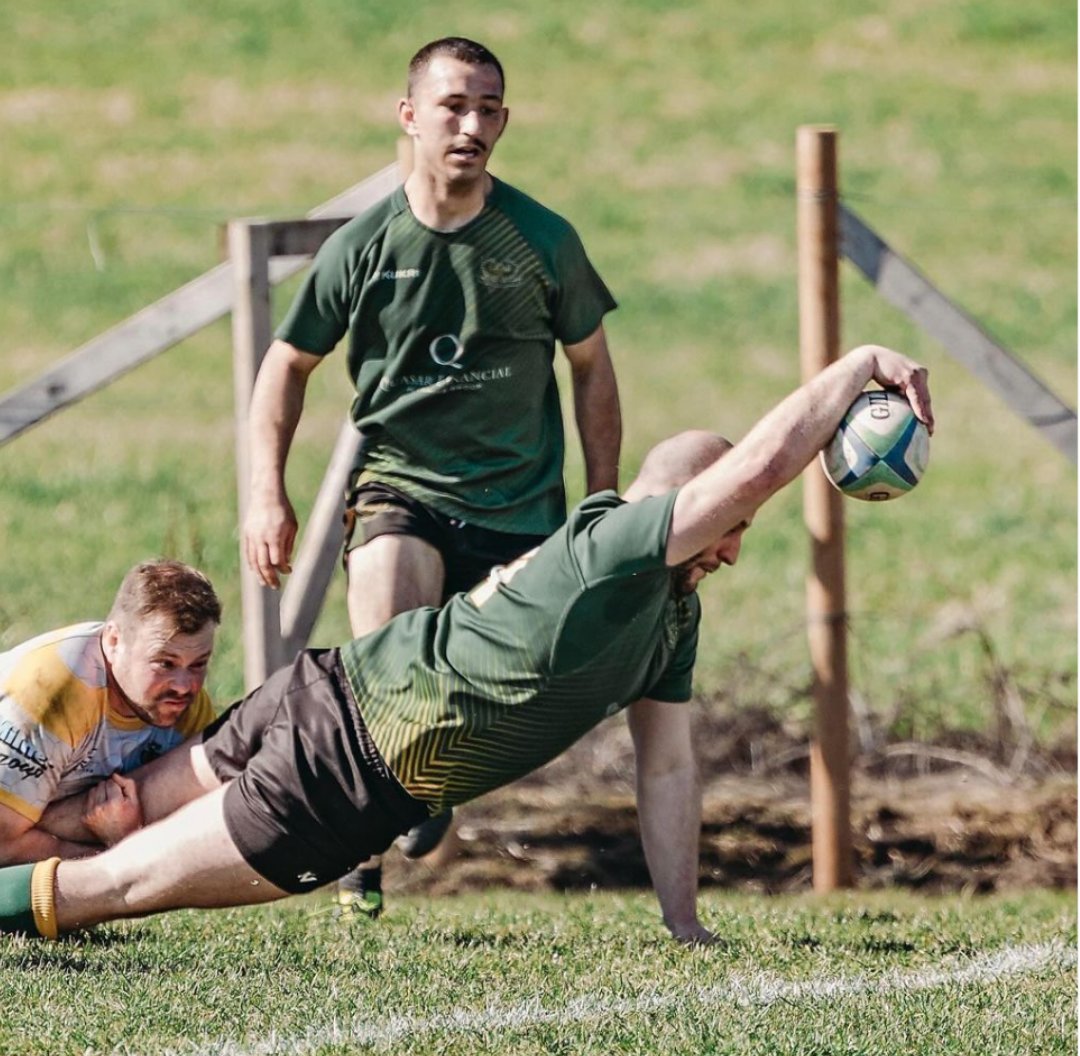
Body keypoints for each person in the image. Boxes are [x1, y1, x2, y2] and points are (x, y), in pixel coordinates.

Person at [0, 345, 933, 944]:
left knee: (101, 819)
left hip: (330, 691)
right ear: (677, 509)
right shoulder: (616, 545)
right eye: (727, 524)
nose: (733, 546)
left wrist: (683, 922)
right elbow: (762, 468)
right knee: (114, 885)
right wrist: (853, 370)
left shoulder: (670, 620)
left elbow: (669, 769)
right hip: (353, 766)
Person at [241, 37, 621, 917]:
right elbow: (284, 366)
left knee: (483, 700)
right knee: (387, 644)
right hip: (401, 488)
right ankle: (359, 852)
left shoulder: (541, 240)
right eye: (454, 106)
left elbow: (593, 368)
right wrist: (267, 492)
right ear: (409, 115)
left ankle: (431, 786)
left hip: (520, 504)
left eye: (489, 108)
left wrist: (600, 500)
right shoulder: (365, 245)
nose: (473, 124)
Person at [0, 560, 221, 866]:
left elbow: (205, 833)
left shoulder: (189, 709)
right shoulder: (54, 691)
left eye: (199, 663)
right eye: (165, 663)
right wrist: (122, 853)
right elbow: (4, 846)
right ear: (114, 641)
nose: (185, 686)